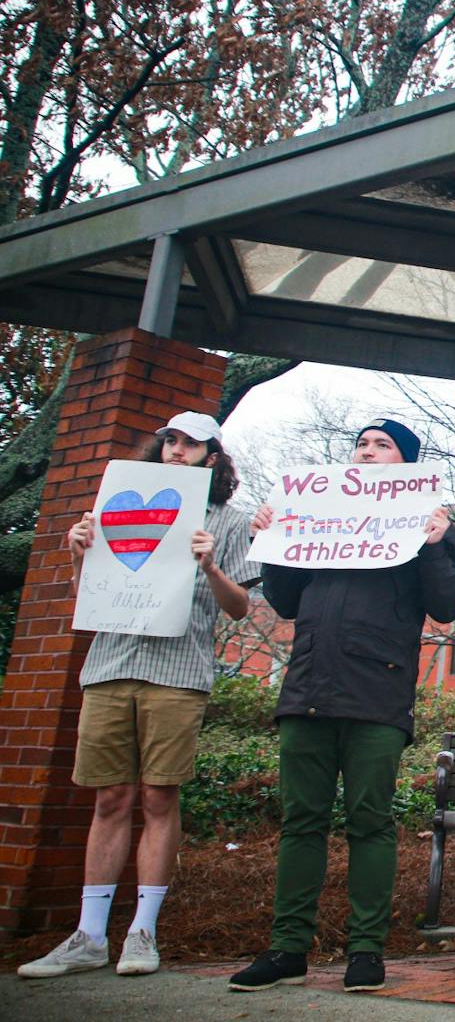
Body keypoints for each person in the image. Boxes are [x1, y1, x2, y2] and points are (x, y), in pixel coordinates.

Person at [229, 419, 455, 994]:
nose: (367, 451)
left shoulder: (428, 524)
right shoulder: (316, 514)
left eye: (382, 445)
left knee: (370, 821)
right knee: (301, 822)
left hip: (377, 694)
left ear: (406, 464)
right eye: (361, 444)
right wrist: (276, 537)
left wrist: (435, 545)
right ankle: (287, 948)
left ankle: (366, 950)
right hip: (308, 688)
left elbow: (447, 605)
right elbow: (283, 602)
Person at [22, 413, 258, 980]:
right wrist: (80, 554)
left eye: (191, 444)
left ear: (212, 456)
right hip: (110, 664)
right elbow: (88, 600)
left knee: (158, 796)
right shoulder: (115, 504)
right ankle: (88, 934)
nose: (177, 451)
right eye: (170, 441)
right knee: (109, 799)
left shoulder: (229, 521)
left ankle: (143, 931)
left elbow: (239, 607)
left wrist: (211, 564)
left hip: (177, 671)